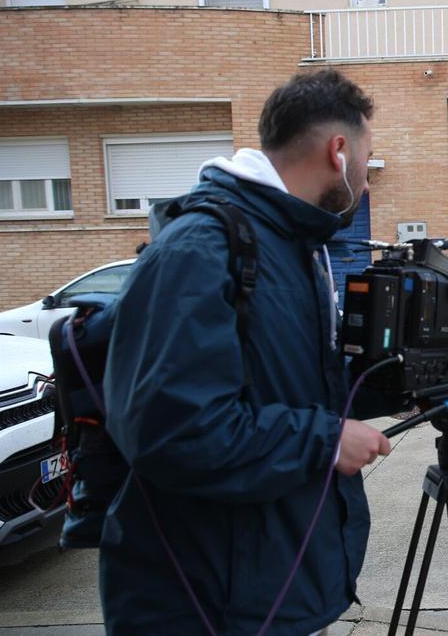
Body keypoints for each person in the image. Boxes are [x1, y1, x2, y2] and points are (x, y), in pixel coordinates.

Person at [102, 69, 393, 634]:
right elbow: (172, 430)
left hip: (265, 584)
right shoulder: (202, 248)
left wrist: (408, 380)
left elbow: (289, 382)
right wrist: (326, 440)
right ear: (339, 151)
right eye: (366, 156)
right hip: (202, 601)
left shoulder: (290, 244)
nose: (365, 176)